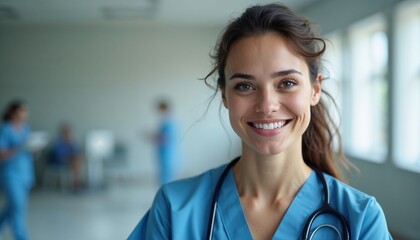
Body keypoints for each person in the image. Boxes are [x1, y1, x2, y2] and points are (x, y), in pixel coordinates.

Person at [128, 3, 392, 239]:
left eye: (287, 83)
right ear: (225, 96)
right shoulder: (175, 210)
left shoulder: (360, 220)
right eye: (244, 86)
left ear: (315, 89)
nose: (267, 105)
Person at [0, 100, 34, 240]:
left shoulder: (26, 129)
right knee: (18, 208)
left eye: (26, 111)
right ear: (12, 112)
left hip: (25, 173)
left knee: (14, 206)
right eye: (22, 110)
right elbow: (1, 154)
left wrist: (33, 149)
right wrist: (20, 147)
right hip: (10, 174)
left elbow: (28, 151)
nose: (25, 114)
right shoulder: (5, 129)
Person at [48, 123, 83, 191]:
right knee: (76, 162)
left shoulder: (71, 141)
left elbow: (76, 152)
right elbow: (58, 155)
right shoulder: (58, 142)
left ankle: (75, 182)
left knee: (78, 159)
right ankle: (76, 183)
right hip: (57, 161)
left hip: (70, 160)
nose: (69, 134)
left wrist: (70, 144)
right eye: (67, 132)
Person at [153, 100, 179, 185]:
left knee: (166, 176)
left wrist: (152, 136)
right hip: (164, 152)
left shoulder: (168, 122)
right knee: (164, 175)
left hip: (167, 153)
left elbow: (165, 138)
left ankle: (165, 194)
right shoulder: (165, 122)